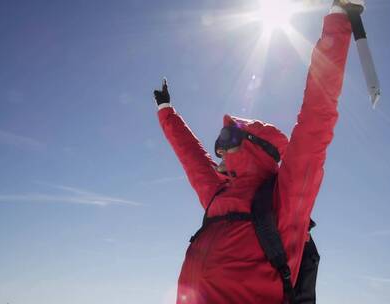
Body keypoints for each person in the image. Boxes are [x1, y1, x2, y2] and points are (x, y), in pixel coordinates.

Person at [154, 1, 364, 303]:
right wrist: (166, 111)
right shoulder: (218, 194)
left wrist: (339, 18)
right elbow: (190, 156)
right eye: (219, 140)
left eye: (229, 136)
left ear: (257, 146)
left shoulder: (284, 200)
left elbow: (317, 117)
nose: (219, 148)